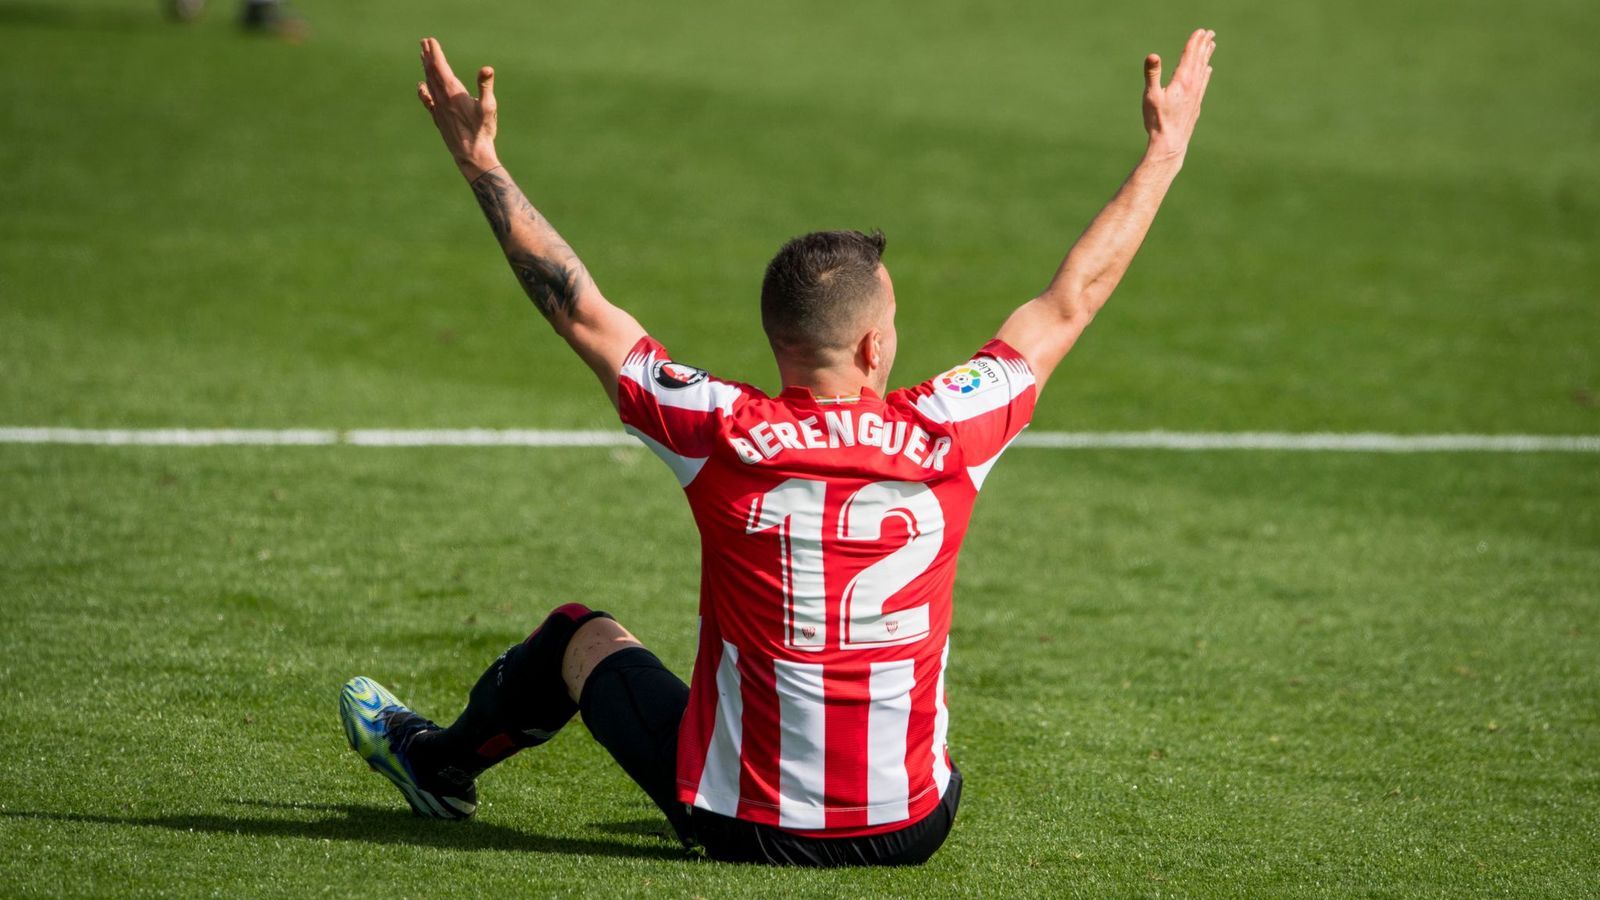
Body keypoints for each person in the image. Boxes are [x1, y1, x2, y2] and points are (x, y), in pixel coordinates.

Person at [341, 30, 1216, 866]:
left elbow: (578, 308)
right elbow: (1072, 300)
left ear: (777, 339)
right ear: (874, 344)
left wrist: (482, 162)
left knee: (580, 635)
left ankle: (435, 762)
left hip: (742, 830)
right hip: (914, 826)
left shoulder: (720, 429)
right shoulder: (948, 431)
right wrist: (1165, 151)